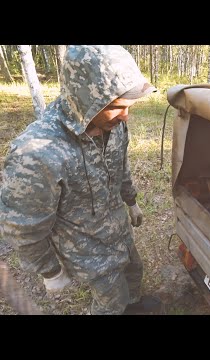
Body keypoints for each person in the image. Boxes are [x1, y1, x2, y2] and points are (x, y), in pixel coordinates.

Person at [0, 45, 162, 315]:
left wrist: (131, 201)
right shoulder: (37, 152)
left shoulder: (115, 125)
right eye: (117, 107)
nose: (126, 116)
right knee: (111, 302)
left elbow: (121, 166)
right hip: (86, 250)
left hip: (118, 230)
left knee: (134, 272)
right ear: (86, 98)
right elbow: (23, 226)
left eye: (129, 107)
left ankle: (134, 306)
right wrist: (50, 271)